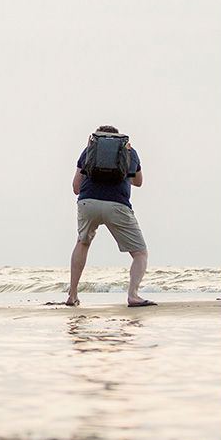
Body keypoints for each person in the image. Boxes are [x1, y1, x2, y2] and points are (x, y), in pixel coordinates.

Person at [66, 125, 154, 307]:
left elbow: (76, 188)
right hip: (117, 204)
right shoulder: (129, 151)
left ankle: (72, 295)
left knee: (82, 243)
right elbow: (139, 182)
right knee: (140, 253)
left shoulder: (89, 150)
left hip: (88, 202)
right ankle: (133, 295)